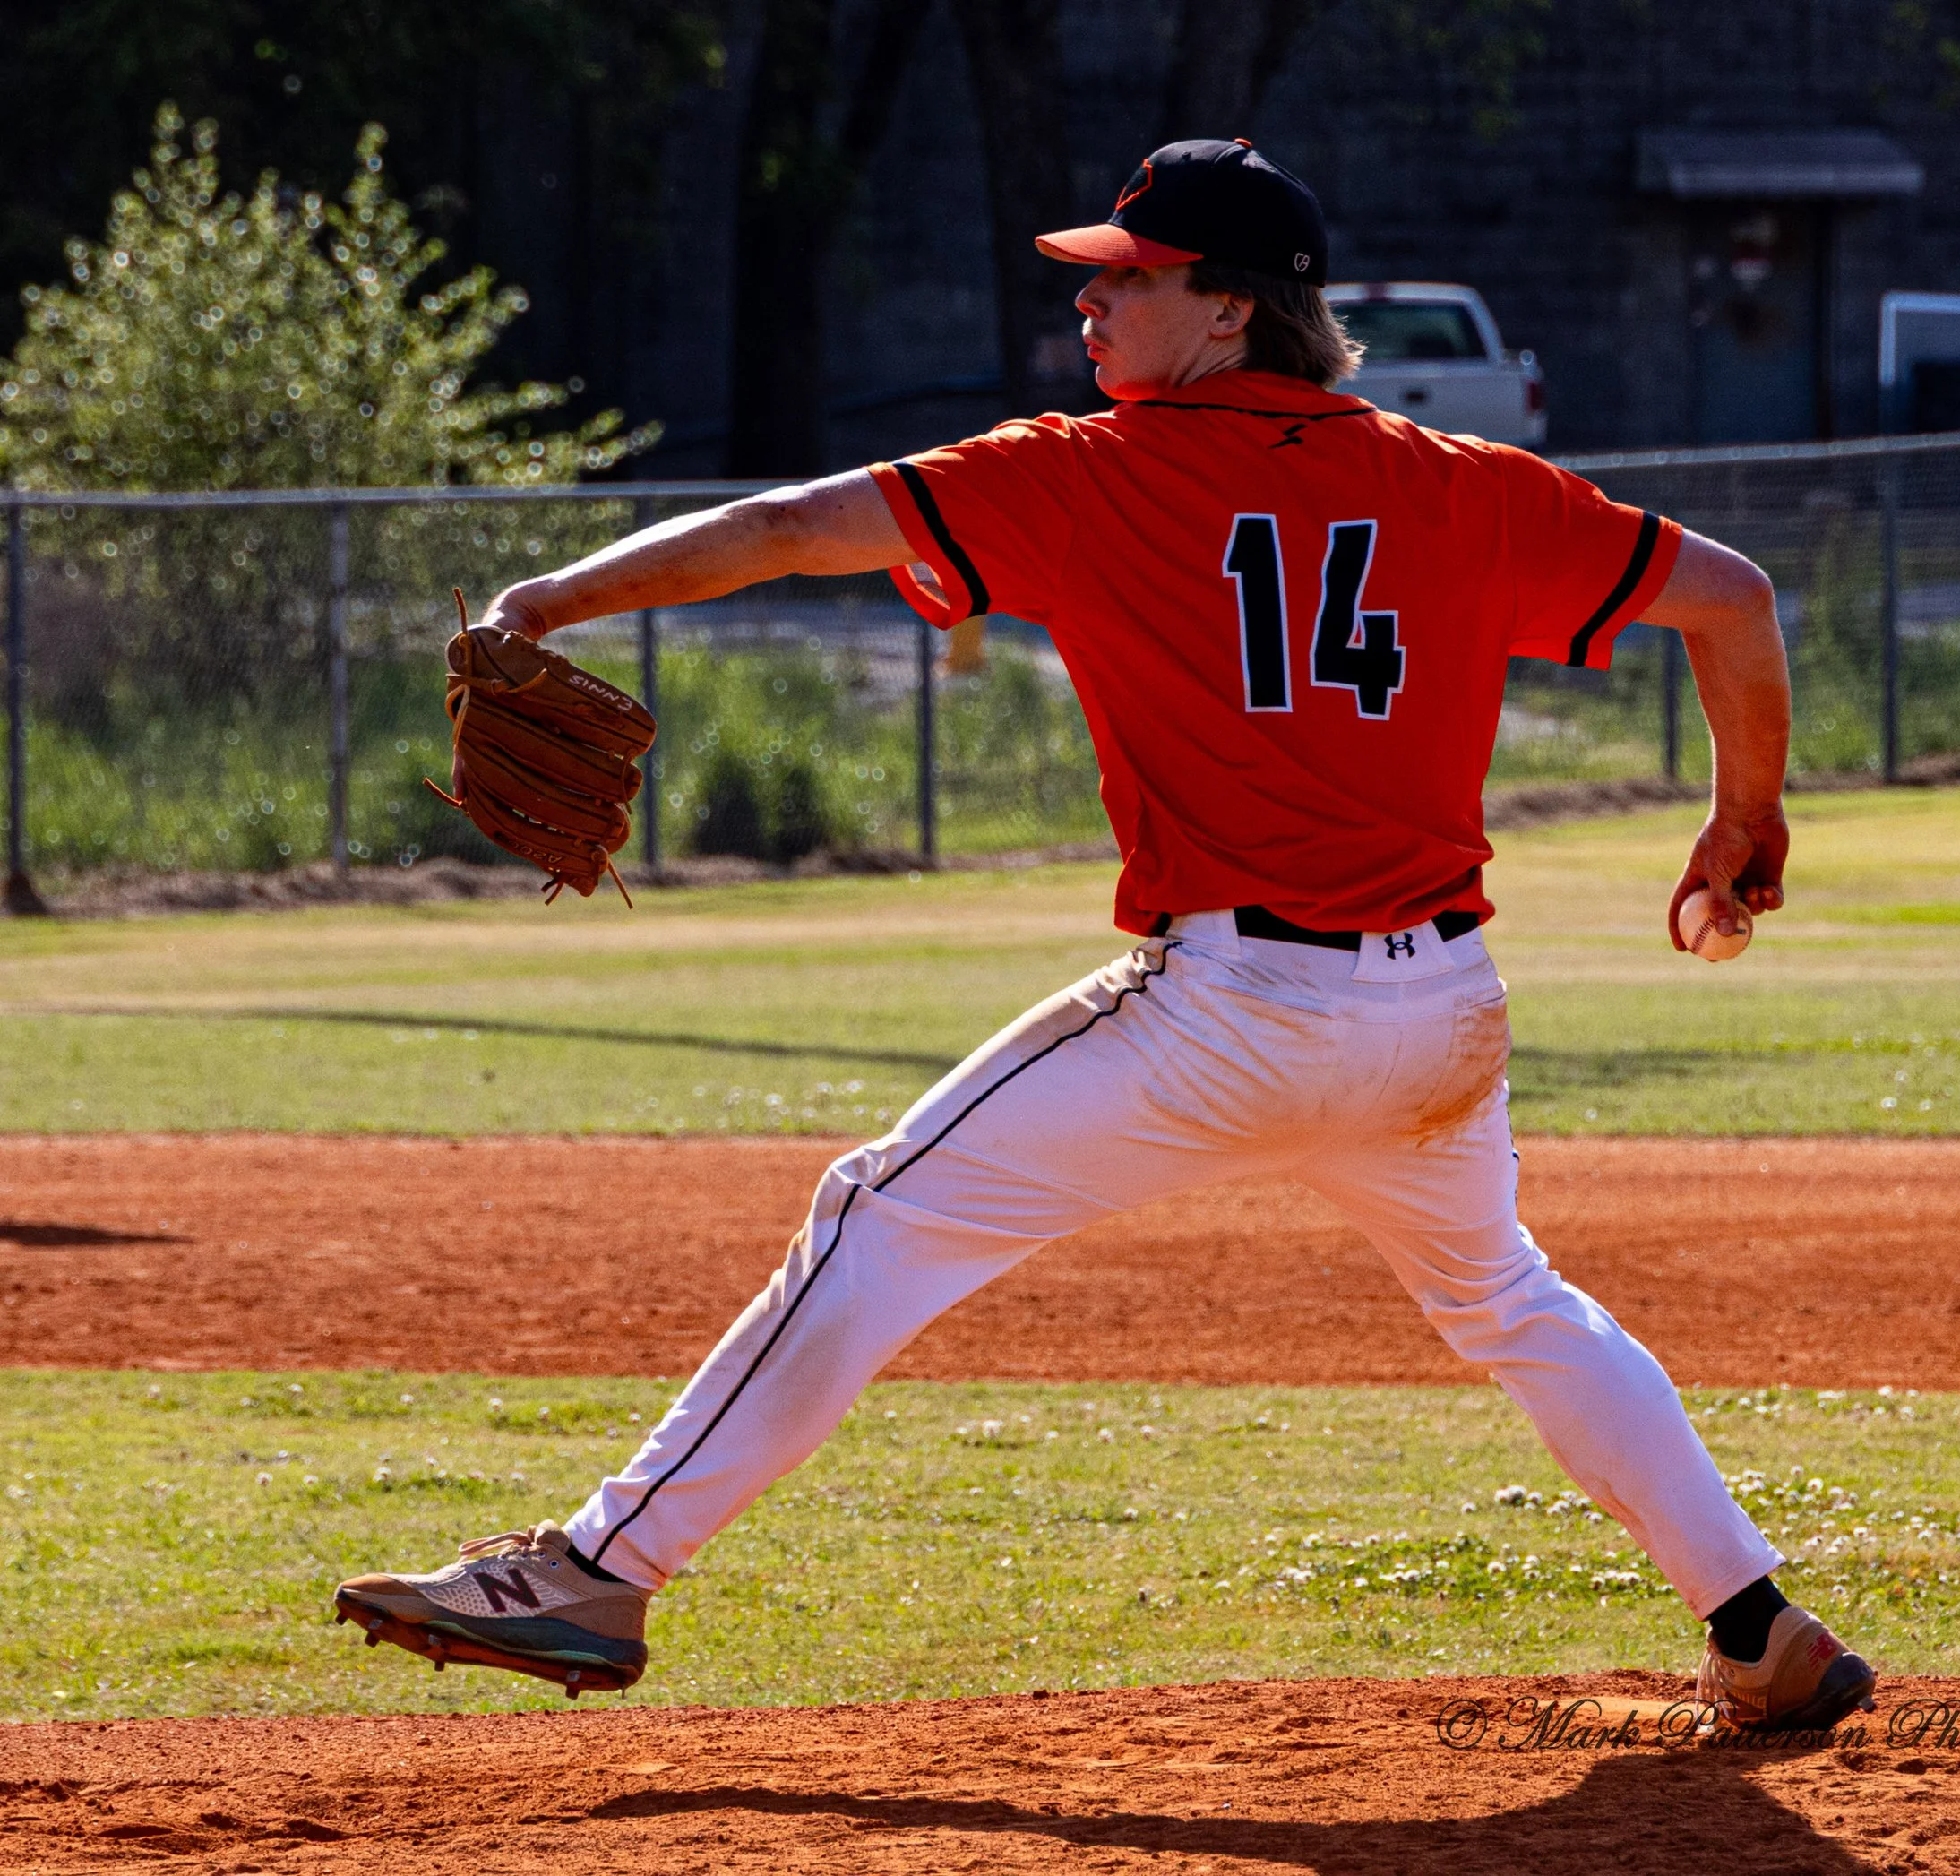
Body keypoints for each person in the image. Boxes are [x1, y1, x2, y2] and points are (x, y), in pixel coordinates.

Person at [335, 139, 1876, 1732]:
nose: (1091, 302)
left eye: (1129, 277)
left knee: (875, 1216)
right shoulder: (1466, 482)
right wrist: (1743, 815)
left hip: (1233, 1009)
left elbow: (796, 526)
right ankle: (1754, 1620)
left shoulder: (1088, 475)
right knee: (1511, 1300)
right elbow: (1735, 596)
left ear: (1228, 309)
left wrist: (541, 603)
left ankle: (600, 1565)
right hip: (1438, 1014)